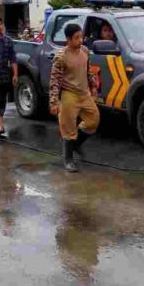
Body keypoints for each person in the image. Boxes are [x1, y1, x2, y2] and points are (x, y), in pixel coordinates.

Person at [49, 23, 100, 173]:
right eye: (77, 38)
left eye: (81, 37)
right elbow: (54, 80)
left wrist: (93, 87)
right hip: (69, 94)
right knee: (68, 127)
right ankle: (68, 159)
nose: (80, 40)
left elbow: (88, 71)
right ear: (68, 39)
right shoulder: (61, 56)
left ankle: (76, 143)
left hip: (84, 93)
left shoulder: (84, 51)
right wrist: (53, 102)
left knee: (93, 120)